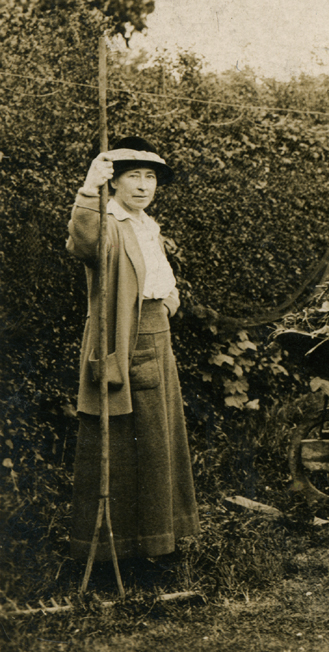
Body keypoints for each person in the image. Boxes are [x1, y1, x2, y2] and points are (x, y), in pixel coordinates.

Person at [66, 136, 199, 563]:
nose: (143, 185)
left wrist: (169, 300)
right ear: (115, 181)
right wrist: (89, 187)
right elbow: (84, 243)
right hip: (125, 342)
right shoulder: (107, 221)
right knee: (124, 445)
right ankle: (115, 552)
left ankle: (159, 542)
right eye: (133, 176)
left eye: (150, 177)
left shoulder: (146, 223)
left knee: (159, 444)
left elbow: (158, 275)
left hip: (158, 336)